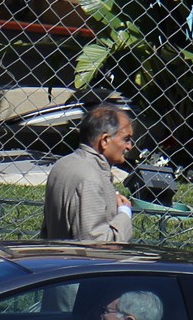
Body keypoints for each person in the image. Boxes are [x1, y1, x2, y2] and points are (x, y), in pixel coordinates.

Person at [40, 104, 134, 243]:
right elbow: (97, 246)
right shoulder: (90, 179)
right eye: (126, 139)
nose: (129, 146)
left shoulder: (64, 164)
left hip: (56, 258)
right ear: (105, 141)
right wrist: (124, 214)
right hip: (79, 263)